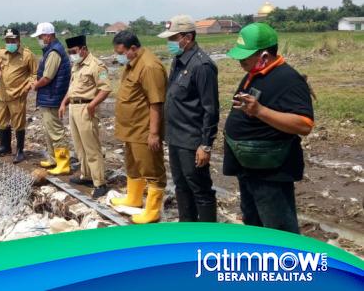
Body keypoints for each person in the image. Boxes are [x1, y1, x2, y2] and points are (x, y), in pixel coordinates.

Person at [223, 23, 314, 233]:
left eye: (245, 56)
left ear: (264, 54)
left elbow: (304, 124)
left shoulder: (288, 79)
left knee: (278, 230)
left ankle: (286, 264)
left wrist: (260, 111)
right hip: (249, 168)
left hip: (270, 172)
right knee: (254, 225)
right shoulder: (255, 73)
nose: (240, 61)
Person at [158, 15, 220, 222]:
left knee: (200, 189)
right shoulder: (178, 60)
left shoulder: (202, 66)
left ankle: (208, 238)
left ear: (187, 37)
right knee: (181, 186)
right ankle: (187, 228)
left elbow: (210, 109)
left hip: (192, 140)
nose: (170, 43)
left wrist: (206, 145)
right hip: (175, 137)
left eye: (173, 38)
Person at [110, 31, 168, 224]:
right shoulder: (132, 63)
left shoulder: (149, 66)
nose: (119, 56)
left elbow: (156, 103)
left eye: (121, 52)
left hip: (143, 129)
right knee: (133, 165)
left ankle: (152, 210)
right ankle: (133, 198)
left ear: (133, 48)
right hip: (130, 128)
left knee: (151, 168)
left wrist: (153, 133)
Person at [58, 35, 112, 199]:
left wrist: (92, 104)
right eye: (69, 52)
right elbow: (72, 88)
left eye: (73, 51)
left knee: (91, 147)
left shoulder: (97, 66)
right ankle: (86, 175)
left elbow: (106, 88)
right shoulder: (76, 65)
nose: (71, 54)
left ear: (83, 49)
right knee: (79, 146)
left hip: (86, 108)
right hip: (74, 108)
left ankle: (99, 182)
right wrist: (64, 103)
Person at [0, 28, 38, 163]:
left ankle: (20, 151)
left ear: (18, 40)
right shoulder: (1, 52)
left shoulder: (27, 55)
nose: (10, 43)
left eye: (12, 40)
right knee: (0, 121)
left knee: (18, 123)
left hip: (17, 94)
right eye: (7, 40)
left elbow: (34, 74)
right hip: (2, 94)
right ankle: (4, 147)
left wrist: (27, 87)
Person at [30, 22, 72, 175]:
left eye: (40, 37)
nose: (39, 40)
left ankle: (63, 163)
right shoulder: (50, 50)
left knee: (55, 131)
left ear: (48, 35)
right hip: (48, 96)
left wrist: (36, 85)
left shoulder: (54, 52)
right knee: (48, 129)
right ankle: (53, 159)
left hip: (52, 96)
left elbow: (47, 77)